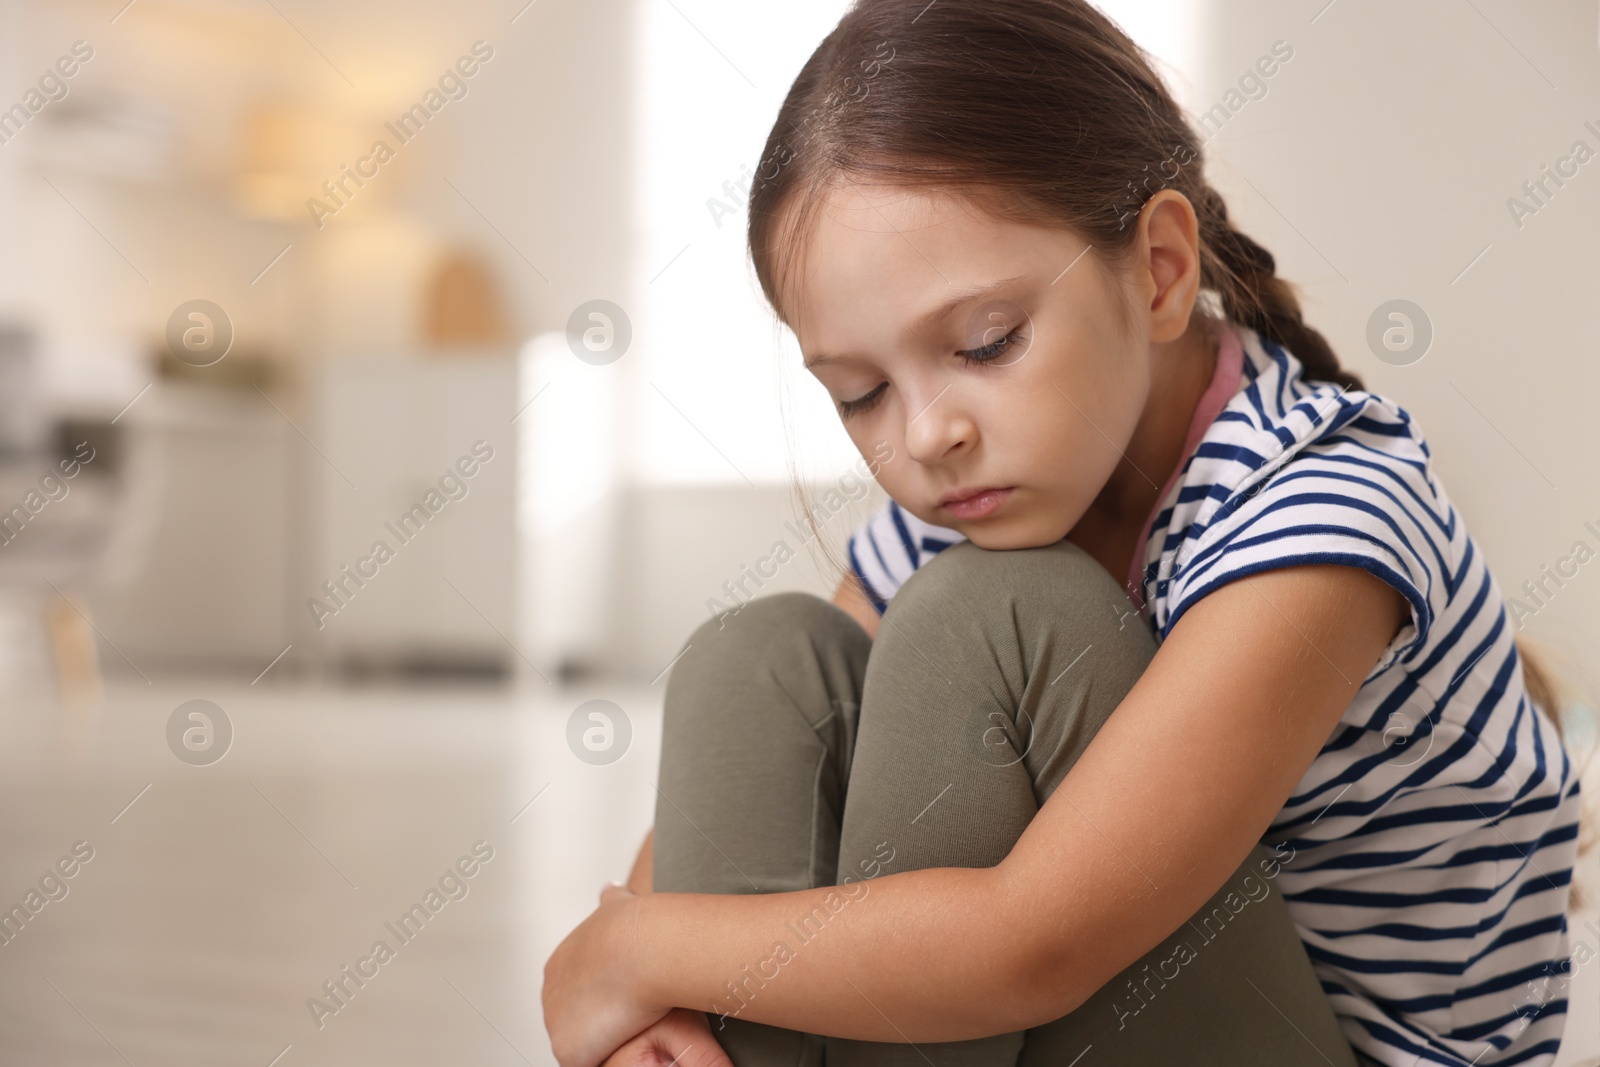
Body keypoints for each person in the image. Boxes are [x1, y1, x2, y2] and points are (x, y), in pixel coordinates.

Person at [544, 1, 1588, 1064]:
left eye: (987, 342)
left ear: (1159, 271)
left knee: (991, 616)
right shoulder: (991, 478)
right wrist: (639, 994)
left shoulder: (1322, 515)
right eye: (859, 392)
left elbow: (1029, 946)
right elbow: (677, 882)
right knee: (758, 658)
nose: (925, 434)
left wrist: (635, 947)